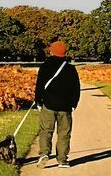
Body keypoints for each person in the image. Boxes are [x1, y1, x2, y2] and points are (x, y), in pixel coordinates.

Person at [34, 40, 80, 168]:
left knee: (46, 131)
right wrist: (74, 103)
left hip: (48, 104)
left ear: (51, 51)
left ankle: (44, 153)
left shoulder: (45, 66)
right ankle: (62, 160)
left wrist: (37, 101)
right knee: (64, 133)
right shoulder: (70, 69)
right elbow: (76, 88)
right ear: (64, 53)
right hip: (65, 107)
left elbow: (39, 86)